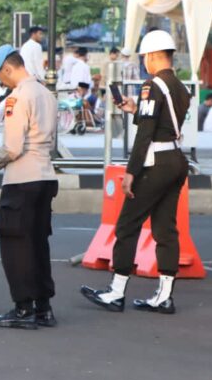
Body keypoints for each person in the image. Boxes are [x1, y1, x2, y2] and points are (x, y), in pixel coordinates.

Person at [82, 30, 191, 314]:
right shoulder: (179, 87)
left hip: (155, 162)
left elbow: (146, 133)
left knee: (127, 225)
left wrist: (131, 171)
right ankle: (164, 295)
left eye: (144, 57)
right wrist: (135, 111)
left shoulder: (152, 85)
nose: (144, 62)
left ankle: (116, 291)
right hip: (176, 159)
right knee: (165, 228)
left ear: (153, 56)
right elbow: (162, 122)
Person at [0, 45, 59, 329]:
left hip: (21, 179)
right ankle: (43, 307)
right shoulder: (47, 95)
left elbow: (12, 148)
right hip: (45, 175)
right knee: (38, 243)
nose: (2, 82)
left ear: (8, 69)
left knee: (16, 245)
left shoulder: (17, 97)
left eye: (1, 76)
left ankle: (23, 308)